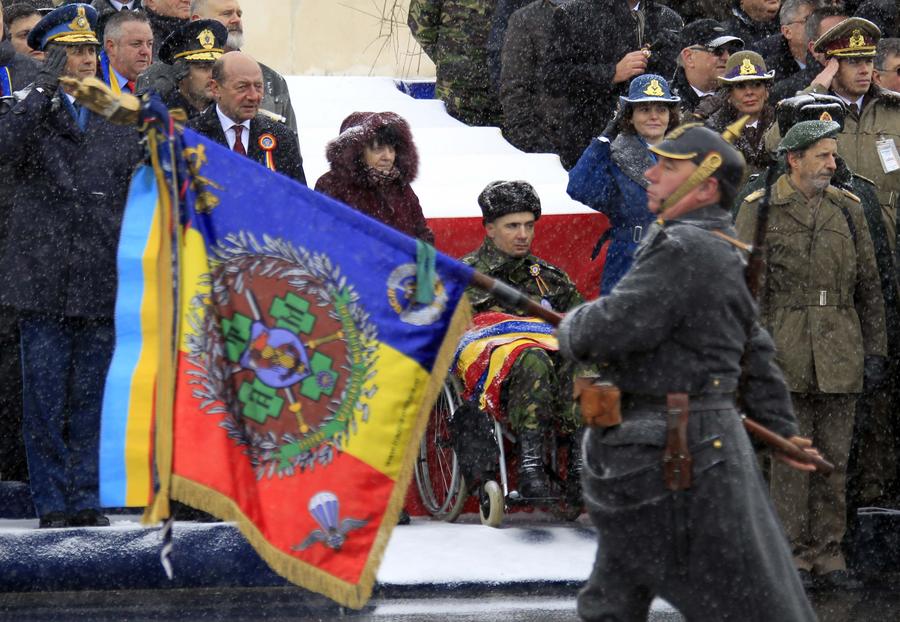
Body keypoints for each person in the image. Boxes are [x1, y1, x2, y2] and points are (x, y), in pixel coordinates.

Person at [556, 122, 818, 621]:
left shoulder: (683, 248)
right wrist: (781, 429)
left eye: (668, 167)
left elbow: (609, 329)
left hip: (672, 449)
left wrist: (573, 325)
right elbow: (753, 348)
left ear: (704, 186)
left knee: (735, 600)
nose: (650, 174)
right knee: (617, 597)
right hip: (686, 442)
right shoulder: (715, 244)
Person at [0, 2, 144, 528]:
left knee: (90, 400)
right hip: (40, 279)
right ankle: (52, 502)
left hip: (98, 276)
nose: (84, 60)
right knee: (43, 400)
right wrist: (41, 89)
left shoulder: (118, 110)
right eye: (73, 51)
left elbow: (141, 182)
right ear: (50, 55)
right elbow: (7, 149)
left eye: (87, 50)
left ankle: (85, 498)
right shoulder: (23, 106)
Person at [735, 120, 887, 587]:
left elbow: (869, 286)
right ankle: (791, 553)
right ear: (793, 158)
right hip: (783, 345)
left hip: (840, 343)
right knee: (789, 461)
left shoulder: (848, 209)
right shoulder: (760, 209)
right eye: (821, 155)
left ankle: (829, 552)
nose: (832, 163)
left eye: (833, 154)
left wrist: (875, 349)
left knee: (834, 459)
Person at [461, 181, 583, 499]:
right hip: (494, 376)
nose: (523, 235)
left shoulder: (549, 277)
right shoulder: (464, 276)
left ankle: (580, 464)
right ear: (489, 228)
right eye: (512, 226)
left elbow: (581, 322)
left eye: (529, 225)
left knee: (582, 355)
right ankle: (530, 467)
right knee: (531, 356)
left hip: (551, 371)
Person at [567, 74, 681, 296]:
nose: (654, 116)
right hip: (630, 259)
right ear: (628, 117)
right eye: (644, 110)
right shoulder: (616, 157)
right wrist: (604, 139)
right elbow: (579, 186)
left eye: (661, 109)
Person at [544, 0, 684, 168]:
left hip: (658, 144)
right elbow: (552, 78)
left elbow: (679, 82)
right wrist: (612, 73)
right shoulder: (574, 13)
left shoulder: (669, 19)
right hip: (592, 139)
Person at [188, 51, 306, 185]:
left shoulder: (281, 138)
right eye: (242, 87)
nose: (253, 96)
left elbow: (299, 200)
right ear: (216, 88)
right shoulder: (190, 136)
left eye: (258, 86)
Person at [315, 112, 434, 244]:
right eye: (378, 149)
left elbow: (422, 233)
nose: (388, 157)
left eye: (392, 149)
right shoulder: (331, 186)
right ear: (356, 152)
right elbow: (325, 240)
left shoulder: (400, 186)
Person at [189, 0, 297, 133]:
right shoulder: (178, 77)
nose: (236, 20)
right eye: (227, 13)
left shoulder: (271, 80)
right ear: (197, 21)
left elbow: (289, 148)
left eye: (239, 14)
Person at [498, 0, 564, 158]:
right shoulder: (526, 20)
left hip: (592, 140)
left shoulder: (601, 14)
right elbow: (514, 89)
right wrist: (533, 144)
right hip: (546, 142)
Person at [701, 51, 776, 177]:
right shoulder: (711, 132)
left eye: (756, 84)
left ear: (766, 91)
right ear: (729, 95)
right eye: (741, 86)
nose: (749, 92)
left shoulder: (782, 125)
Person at [769, 7, 847, 102]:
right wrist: (818, 89)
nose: (845, 44)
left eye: (847, 36)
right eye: (834, 38)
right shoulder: (786, 92)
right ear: (814, 49)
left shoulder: (868, 82)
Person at [670, 19, 744, 118]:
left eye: (731, 51)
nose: (727, 57)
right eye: (718, 51)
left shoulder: (743, 96)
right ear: (689, 57)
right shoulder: (664, 100)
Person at [156, 18, 224, 120]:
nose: (212, 75)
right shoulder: (161, 114)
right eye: (203, 67)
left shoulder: (227, 111)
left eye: (215, 67)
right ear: (181, 72)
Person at [752, 0, 814, 85]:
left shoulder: (829, 54)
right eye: (808, 20)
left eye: (817, 19)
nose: (816, 24)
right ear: (787, 32)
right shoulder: (770, 68)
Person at [98, 9, 151, 94]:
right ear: (111, 47)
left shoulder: (162, 84)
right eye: (136, 44)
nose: (146, 51)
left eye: (150, 44)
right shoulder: (92, 85)